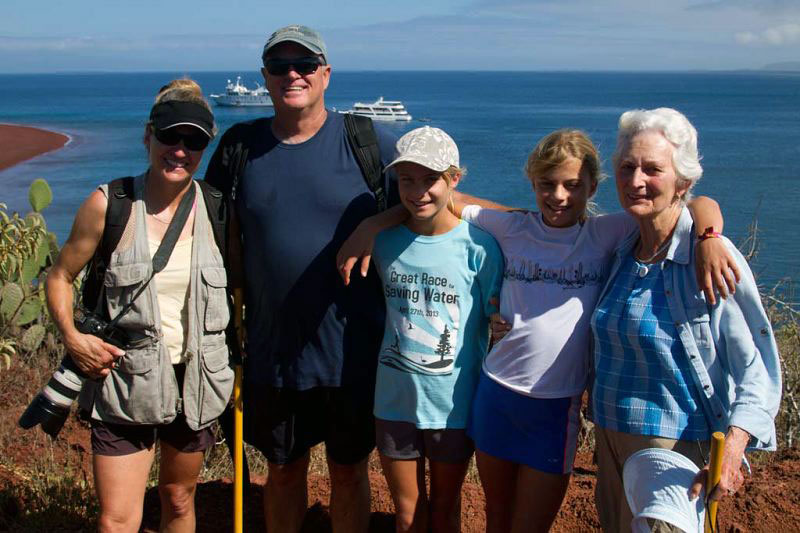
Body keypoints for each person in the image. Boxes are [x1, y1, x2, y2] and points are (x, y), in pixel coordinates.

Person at [339, 128, 736, 533]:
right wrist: (373, 224)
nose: (558, 196)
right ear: (532, 183)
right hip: (495, 395)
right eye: (547, 184)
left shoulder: (606, 233)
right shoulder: (511, 227)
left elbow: (692, 203)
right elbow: (440, 201)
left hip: (555, 408)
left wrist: (709, 236)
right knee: (496, 520)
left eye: (572, 185)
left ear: (592, 186)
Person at [205, 25, 398, 533]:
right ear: (265, 77)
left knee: (349, 472)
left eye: (305, 64)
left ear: (326, 74)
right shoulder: (240, 147)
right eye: (279, 66)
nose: (293, 74)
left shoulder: (366, 140)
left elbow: (430, 199)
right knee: (284, 471)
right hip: (273, 353)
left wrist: (376, 223)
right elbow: (204, 224)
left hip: (352, 353)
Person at [46, 79, 234, 532]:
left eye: (194, 141)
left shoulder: (218, 210)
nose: (180, 150)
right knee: (116, 519)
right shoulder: (110, 205)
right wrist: (72, 338)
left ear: (205, 148)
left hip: (195, 383)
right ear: (148, 135)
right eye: (170, 136)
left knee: (179, 500)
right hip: (123, 380)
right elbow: (59, 276)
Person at [591, 107, 782, 532]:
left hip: (674, 451)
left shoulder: (708, 259)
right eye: (627, 167)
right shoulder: (621, 249)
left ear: (683, 182)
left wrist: (734, 448)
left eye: (652, 169)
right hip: (610, 441)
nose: (635, 180)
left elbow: (755, 366)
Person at [370, 126, 503, 532]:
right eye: (406, 180)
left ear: (454, 179)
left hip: (454, 406)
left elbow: (497, 324)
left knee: (445, 510)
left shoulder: (480, 247)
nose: (417, 192)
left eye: (430, 179)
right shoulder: (382, 243)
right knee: (407, 514)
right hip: (393, 401)